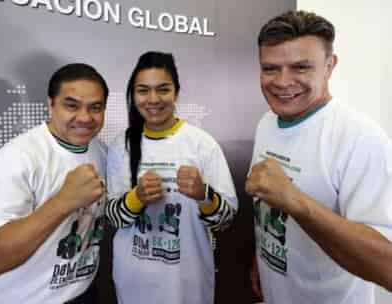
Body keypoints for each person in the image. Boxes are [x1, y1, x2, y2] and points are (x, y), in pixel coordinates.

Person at [245, 10, 392, 304]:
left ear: (329, 66)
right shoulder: (267, 123)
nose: (282, 82)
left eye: (300, 67)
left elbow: (386, 267)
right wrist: (262, 258)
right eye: (271, 68)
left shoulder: (360, 138)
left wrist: (295, 200)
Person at [106, 51, 238, 304]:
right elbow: (113, 217)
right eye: (143, 91)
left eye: (163, 89)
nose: (153, 99)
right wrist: (137, 198)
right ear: (133, 96)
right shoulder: (120, 145)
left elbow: (225, 220)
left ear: (176, 92)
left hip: (188, 283)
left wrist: (204, 195)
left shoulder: (201, 144)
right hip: (135, 283)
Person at [0, 63, 108, 303]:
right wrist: (64, 201)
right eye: (72, 105)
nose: (85, 117)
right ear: (50, 104)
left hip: (83, 292)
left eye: (95, 107)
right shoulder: (19, 157)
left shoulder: (101, 151)